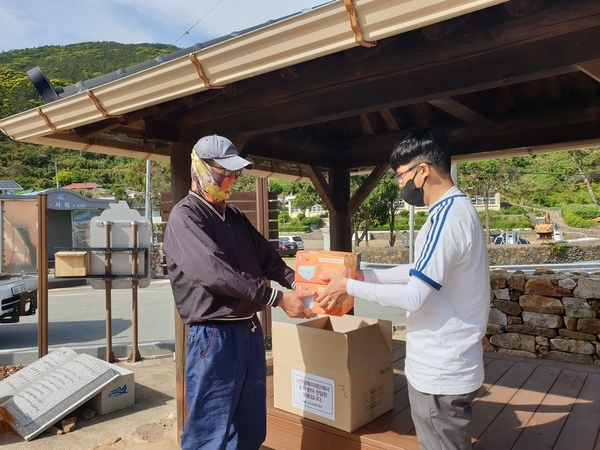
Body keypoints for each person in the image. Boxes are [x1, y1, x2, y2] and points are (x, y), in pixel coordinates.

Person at [317, 127, 490, 449]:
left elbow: (414, 296)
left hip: (440, 369)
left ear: (422, 171)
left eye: (400, 175)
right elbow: (417, 271)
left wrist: (351, 286)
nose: (400, 185)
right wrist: (363, 275)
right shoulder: (456, 211)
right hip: (450, 364)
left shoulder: (446, 218)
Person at [163, 134, 316, 450]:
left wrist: (298, 284)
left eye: (236, 173)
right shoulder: (185, 216)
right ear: (201, 168)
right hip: (214, 336)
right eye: (225, 171)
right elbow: (213, 272)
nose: (232, 179)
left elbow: (268, 259)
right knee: (210, 430)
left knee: (249, 426)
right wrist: (276, 298)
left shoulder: (233, 216)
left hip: (247, 331)